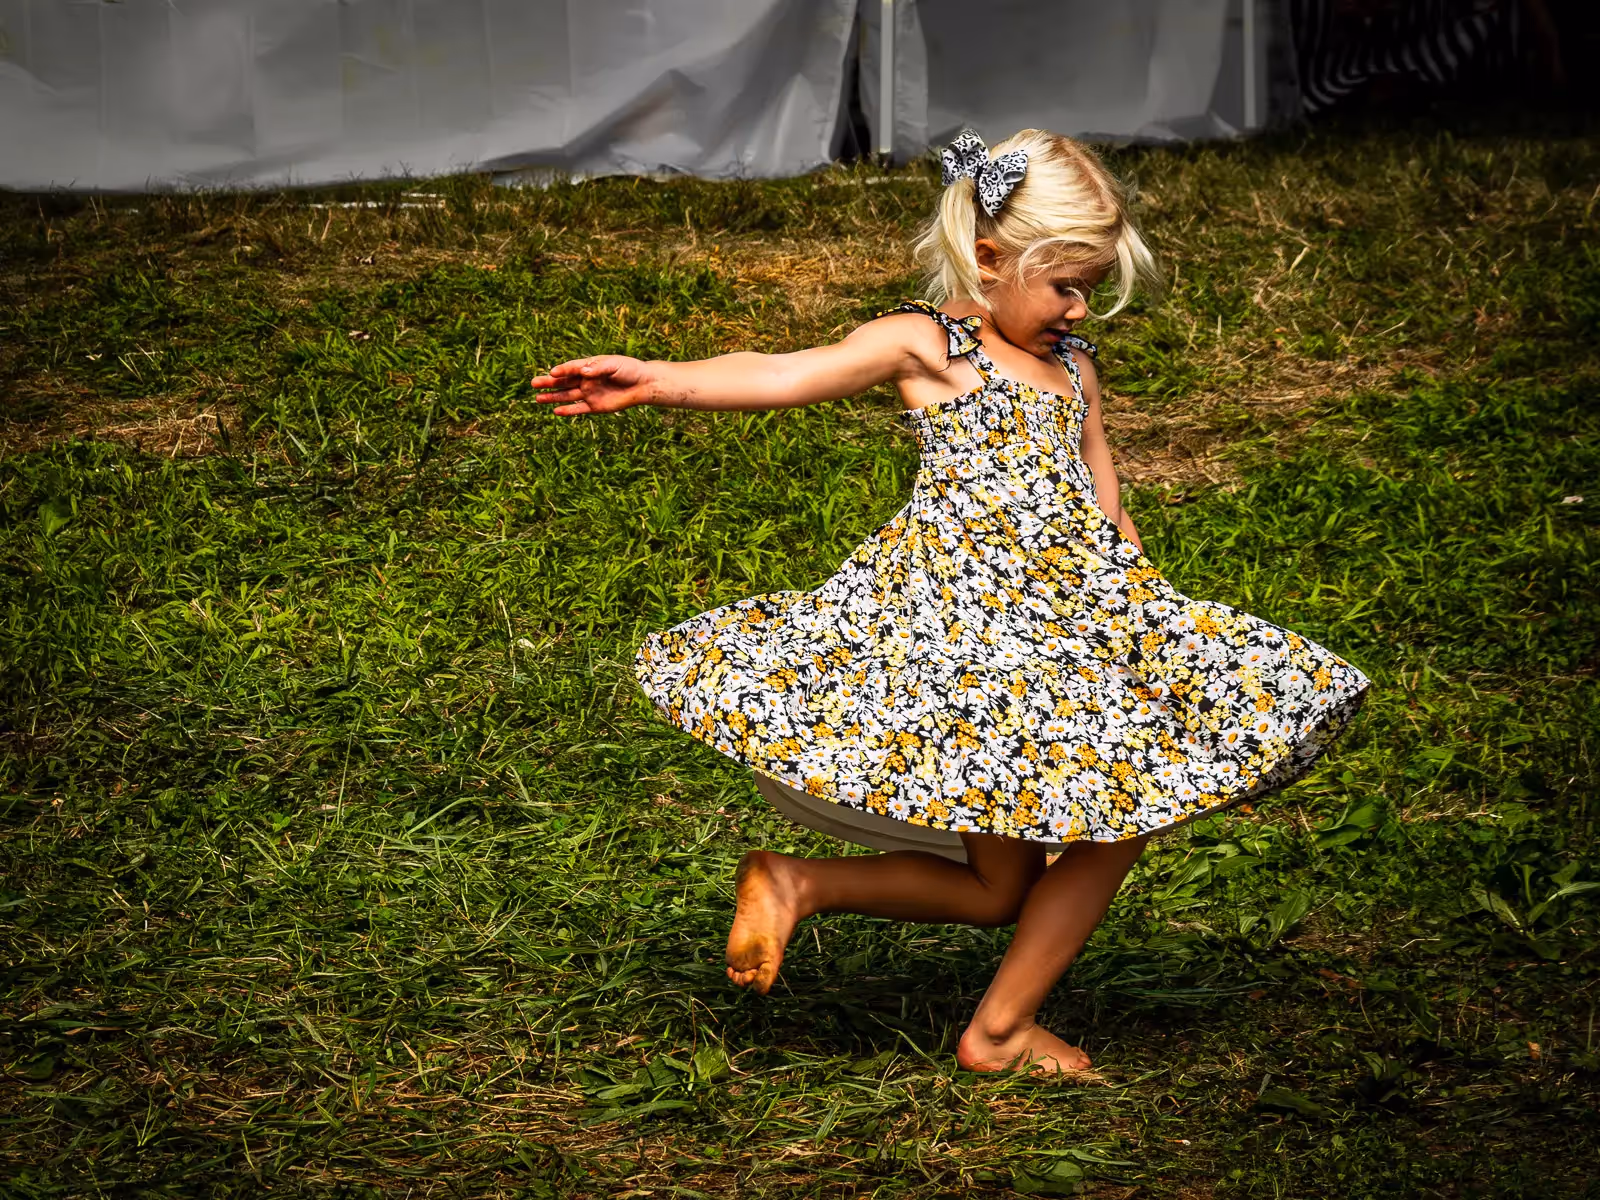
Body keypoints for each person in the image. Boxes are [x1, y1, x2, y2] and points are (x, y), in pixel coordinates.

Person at [531, 129, 1371, 1075]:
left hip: (1068, 635)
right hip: (972, 642)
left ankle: (795, 883)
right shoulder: (928, 343)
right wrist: (660, 382)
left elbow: (1109, 513)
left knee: (996, 887)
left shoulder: (1077, 374)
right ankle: (1000, 1032)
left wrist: (1160, 638)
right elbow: (786, 370)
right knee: (1127, 817)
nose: (1079, 305)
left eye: (1090, 284)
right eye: (1063, 283)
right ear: (989, 258)